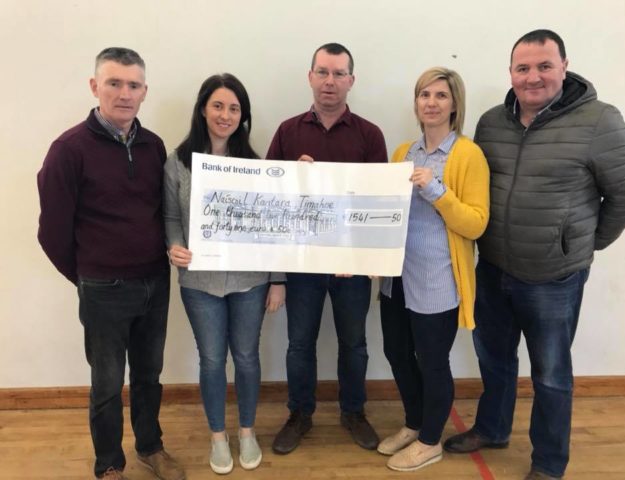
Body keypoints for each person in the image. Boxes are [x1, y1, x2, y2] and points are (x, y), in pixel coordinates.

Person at [443, 30, 625, 480]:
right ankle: (492, 429)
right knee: (494, 359)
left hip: (554, 278)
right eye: (523, 68)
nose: (533, 77)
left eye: (544, 66)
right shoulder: (492, 122)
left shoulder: (600, 121)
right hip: (493, 267)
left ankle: (549, 463)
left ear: (564, 67)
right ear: (511, 72)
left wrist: (585, 242)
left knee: (550, 375)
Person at [37, 48, 184, 480]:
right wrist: (87, 277)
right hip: (103, 288)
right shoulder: (69, 149)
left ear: (144, 92)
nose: (124, 93)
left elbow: (165, 212)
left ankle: (150, 448)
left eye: (133, 85)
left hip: (155, 283)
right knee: (105, 384)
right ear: (94, 86)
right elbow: (52, 232)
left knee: (149, 376)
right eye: (114, 83)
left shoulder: (154, 146)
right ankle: (108, 464)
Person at [267, 42, 387, 454]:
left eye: (338, 74)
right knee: (299, 343)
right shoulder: (287, 131)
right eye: (322, 72)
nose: (330, 81)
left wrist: (368, 258)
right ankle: (300, 413)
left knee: (354, 343)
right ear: (310, 77)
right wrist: (291, 180)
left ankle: (353, 411)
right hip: (302, 265)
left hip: (351, 265)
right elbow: (270, 203)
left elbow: (378, 205)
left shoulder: (370, 135)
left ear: (351, 80)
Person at [164, 73, 286, 474]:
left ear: (243, 116)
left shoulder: (257, 167)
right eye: (218, 105)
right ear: (203, 109)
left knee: (247, 358)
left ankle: (247, 430)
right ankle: (219, 436)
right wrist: (174, 246)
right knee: (212, 360)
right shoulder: (177, 163)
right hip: (199, 283)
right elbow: (170, 217)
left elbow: (274, 226)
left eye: (234, 108)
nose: (225, 114)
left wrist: (278, 280)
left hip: (250, 280)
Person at [376, 67, 489, 472]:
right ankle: (414, 422)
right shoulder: (404, 150)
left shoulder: (468, 154)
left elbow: (476, 223)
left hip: (438, 279)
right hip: (396, 277)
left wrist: (437, 191)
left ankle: (430, 441)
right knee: (396, 352)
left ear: (455, 104)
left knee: (432, 360)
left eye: (441, 95)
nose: (431, 102)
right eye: (424, 94)